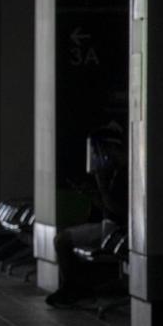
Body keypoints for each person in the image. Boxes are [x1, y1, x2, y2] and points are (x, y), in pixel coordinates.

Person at [45, 122, 127, 307]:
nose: (99, 155)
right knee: (65, 236)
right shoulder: (114, 171)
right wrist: (93, 194)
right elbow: (108, 206)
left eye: (102, 149)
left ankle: (72, 289)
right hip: (109, 225)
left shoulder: (124, 173)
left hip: (116, 230)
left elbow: (118, 210)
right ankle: (74, 286)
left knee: (62, 240)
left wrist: (101, 185)